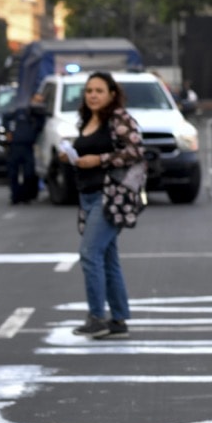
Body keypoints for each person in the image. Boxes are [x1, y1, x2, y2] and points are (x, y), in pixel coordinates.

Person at [59, 70, 143, 340]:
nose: (93, 95)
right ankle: (118, 319)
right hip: (88, 194)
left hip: (110, 195)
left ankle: (97, 317)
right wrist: (71, 156)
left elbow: (135, 150)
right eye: (89, 91)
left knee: (89, 253)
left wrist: (99, 160)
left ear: (112, 94)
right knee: (107, 258)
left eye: (99, 91)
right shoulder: (86, 120)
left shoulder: (119, 118)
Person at [4, 91, 46, 204]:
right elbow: (6, 117)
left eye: (40, 102)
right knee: (13, 173)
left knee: (29, 173)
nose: (37, 104)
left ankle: (26, 196)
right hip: (16, 146)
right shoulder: (21, 111)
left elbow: (40, 128)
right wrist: (8, 132)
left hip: (29, 147)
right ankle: (15, 196)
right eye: (36, 101)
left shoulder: (39, 116)